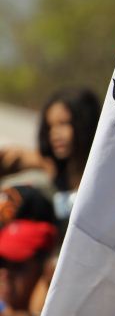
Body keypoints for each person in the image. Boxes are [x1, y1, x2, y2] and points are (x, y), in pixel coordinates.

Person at [0, 88, 100, 228]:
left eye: (64, 123)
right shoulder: (51, 164)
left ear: (85, 122)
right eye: (50, 126)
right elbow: (13, 157)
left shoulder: (105, 173)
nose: (55, 134)